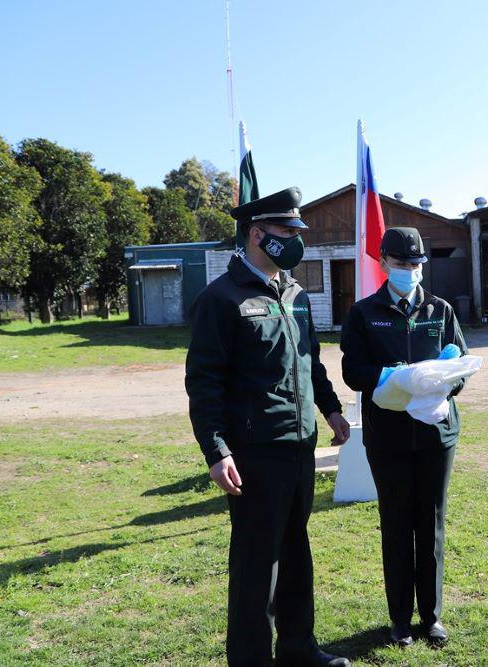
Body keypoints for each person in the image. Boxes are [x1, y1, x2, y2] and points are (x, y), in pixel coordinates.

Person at [185, 186, 352, 667]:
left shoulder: (295, 293)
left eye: (297, 230)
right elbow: (205, 382)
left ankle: (298, 649)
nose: (296, 239)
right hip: (256, 451)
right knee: (257, 565)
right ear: (258, 233)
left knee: (296, 553)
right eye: (287, 231)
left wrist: (331, 408)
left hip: (300, 445)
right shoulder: (221, 298)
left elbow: (309, 359)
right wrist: (217, 451)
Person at [340, 227, 467, 649]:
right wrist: (394, 378)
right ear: (383, 264)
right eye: (401, 264)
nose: (409, 272)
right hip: (388, 436)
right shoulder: (364, 312)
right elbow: (352, 371)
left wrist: (440, 381)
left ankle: (432, 617)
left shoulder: (440, 309)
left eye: (416, 265)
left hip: (436, 433)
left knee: (430, 523)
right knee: (395, 525)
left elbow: (460, 368)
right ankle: (399, 619)